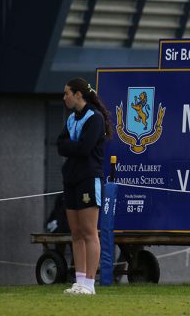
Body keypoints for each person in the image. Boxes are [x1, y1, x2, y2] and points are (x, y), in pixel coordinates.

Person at [57, 77, 112, 295]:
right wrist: (72, 146)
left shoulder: (94, 118)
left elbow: (84, 148)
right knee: (76, 232)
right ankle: (79, 281)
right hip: (71, 179)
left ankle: (90, 283)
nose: (64, 97)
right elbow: (60, 145)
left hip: (89, 179)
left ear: (78, 94)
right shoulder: (71, 119)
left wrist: (71, 146)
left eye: (67, 93)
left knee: (90, 232)